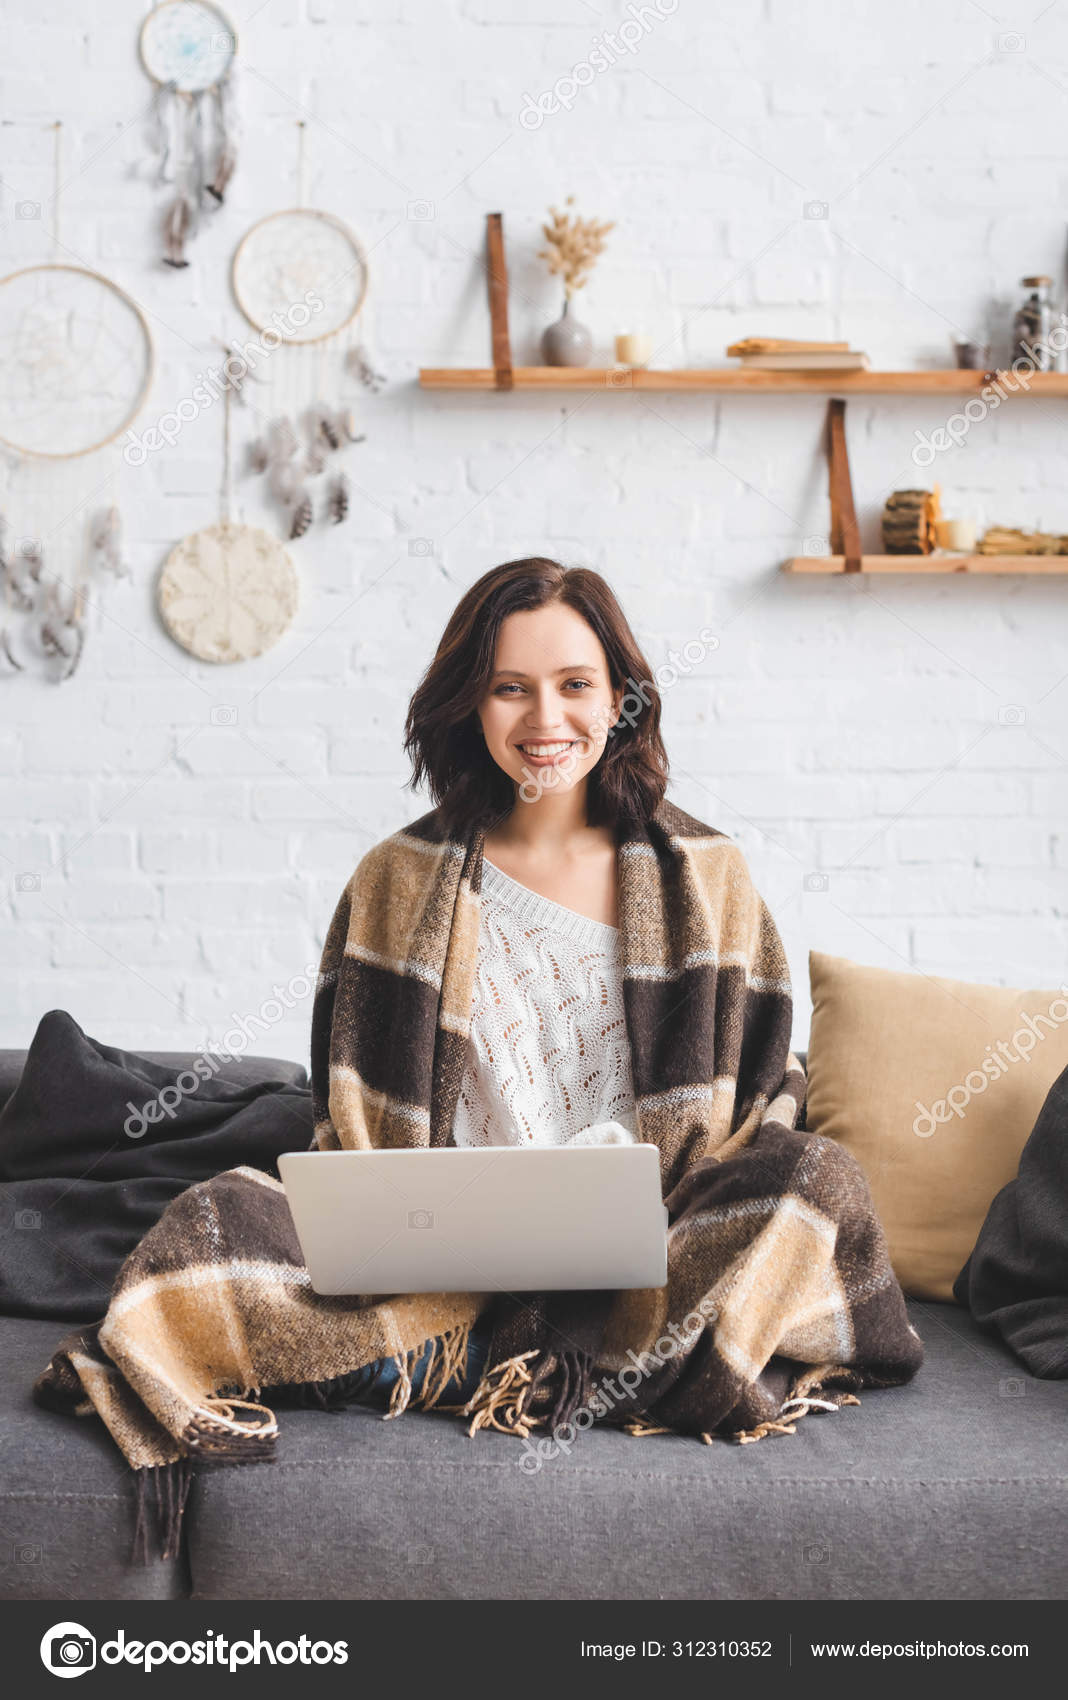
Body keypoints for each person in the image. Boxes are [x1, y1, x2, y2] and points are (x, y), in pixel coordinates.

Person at [287, 554, 668, 1412]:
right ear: (471, 703)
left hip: (660, 1238)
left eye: (576, 684)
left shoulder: (701, 879)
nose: (547, 719)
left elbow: (746, 1093)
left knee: (809, 1176)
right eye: (510, 689)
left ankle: (522, 1363)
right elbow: (343, 1103)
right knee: (217, 1226)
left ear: (618, 699)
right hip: (445, 1245)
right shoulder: (397, 877)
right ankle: (507, 1360)